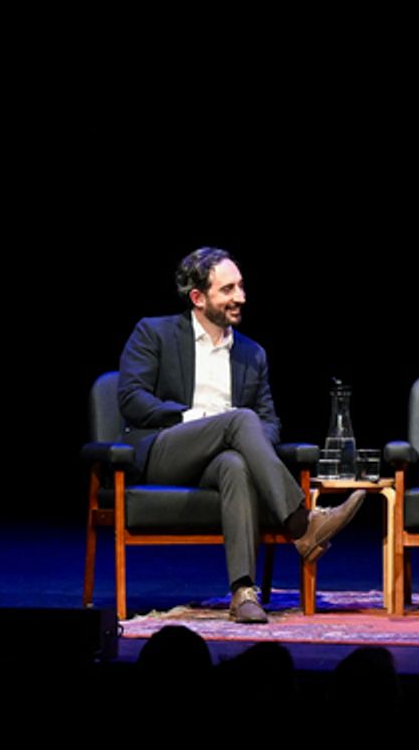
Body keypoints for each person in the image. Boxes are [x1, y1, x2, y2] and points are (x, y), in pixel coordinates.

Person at [118, 248, 365, 624]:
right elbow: (132, 399)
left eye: (241, 287)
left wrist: (243, 438)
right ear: (198, 298)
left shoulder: (252, 354)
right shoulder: (154, 333)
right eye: (228, 289)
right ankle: (302, 523)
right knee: (238, 420)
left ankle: (243, 593)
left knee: (235, 462)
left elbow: (268, 422)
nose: (241, 297)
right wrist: (195, 417)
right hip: (165, 450)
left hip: (218, 460)